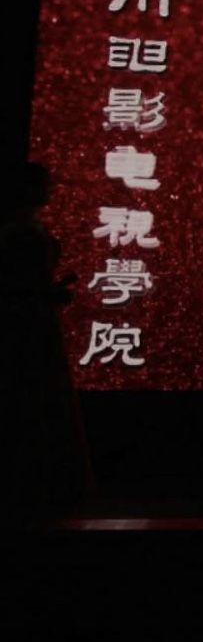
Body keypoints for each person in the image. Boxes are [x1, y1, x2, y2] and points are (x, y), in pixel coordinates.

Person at [0, 162, 91, 517]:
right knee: (28, 393)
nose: (49, 191)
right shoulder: (14, 231)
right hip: (23, 322)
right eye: (44, 185)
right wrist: (44, 293)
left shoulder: (23, 227)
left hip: (34, 320)